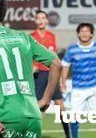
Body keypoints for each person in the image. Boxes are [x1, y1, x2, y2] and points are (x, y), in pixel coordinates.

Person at [0, 0, 62, 138]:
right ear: (4, 14)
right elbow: (57, 64)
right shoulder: (24, 38)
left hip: (3, 116)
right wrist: (45, 100)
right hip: (33, 117)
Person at [60, 23, 96, 138]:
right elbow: (65, 65)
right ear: (78, 34)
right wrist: (63, 82)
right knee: (74, 117)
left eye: (87, 31)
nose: (84, 33)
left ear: (91, 34)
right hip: (79, 88)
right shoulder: (72, 50)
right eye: (82, 31)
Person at [31, 10, 70, 138]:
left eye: (43, 18)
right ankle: (34, 135)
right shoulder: (31, 37)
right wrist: (32, 65)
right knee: (40, 108)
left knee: (61, 107)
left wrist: (59, 77)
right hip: (39, 76)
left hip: (52, 74)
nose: (41, 20)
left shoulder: (51, 36)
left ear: (47, 21)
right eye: (39, 18)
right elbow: (27, 55)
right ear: (36, 21)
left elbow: (54, 56)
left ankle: (68, 135)